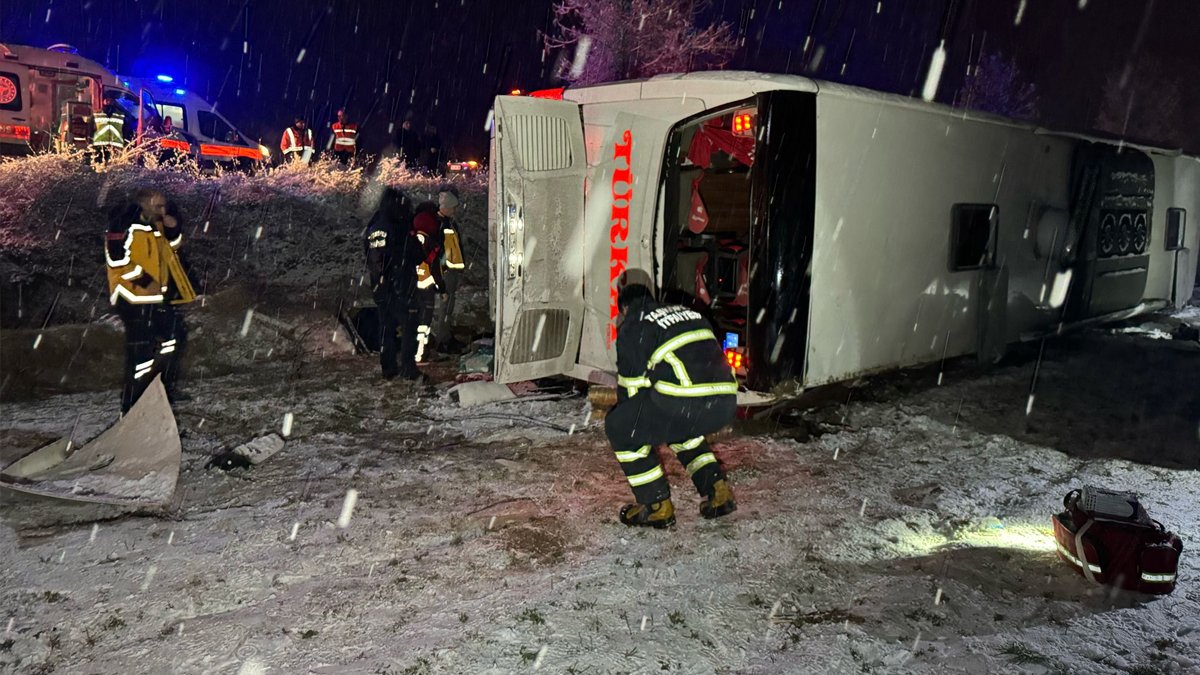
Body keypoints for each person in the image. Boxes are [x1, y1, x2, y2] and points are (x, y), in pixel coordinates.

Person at [604, 279, 739, 528]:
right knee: (680, 428)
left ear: (624, 308)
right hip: (725, 401)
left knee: (620, 427)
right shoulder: (687, 312)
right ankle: (718, 490)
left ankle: (656, 506)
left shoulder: (635, 323)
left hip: (684, 400)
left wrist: (630, 422)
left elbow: (631, 388)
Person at [105, 189, 197, 412]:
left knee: (175, 337)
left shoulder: (153, 224)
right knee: (140, 352)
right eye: (158, 206)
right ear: (144, 203)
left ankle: (163, 389)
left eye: (164, 206)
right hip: (132, 298)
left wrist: (173, 227)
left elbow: (171, 248)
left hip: (155, 297)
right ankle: (133, 403)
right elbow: (116, 259)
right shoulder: (123, 223)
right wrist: (145, 281)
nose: (162, 210)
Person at [364, 188, 426, 381]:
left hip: (390, 285)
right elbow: (378, 259)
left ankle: (390, 367)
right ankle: (405, 368)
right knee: (407, 325)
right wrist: (392, 280)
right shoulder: (388, 226)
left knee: (388, 326)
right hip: (395, 285)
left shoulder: (389, 224)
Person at [411, 199, 446, 363]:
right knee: (424, 322)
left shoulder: (411, 237)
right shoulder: (431, 241)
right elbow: (434, 267)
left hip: (411, 286)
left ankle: (413, 352)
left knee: (414, 319)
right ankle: (420, 353)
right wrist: (442, 287)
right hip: (426, 286)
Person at [431, 189, 466, 353]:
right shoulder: (441, 224)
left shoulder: (447, 222)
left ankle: (444, 338)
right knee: (446, 306)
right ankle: (442, 341)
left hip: (450, 270)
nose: (455, 210)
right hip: (446, 271)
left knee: (448, 306)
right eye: (453, 207)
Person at [91, 91, 126, 164]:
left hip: (113, 146)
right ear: (102, 100)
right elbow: (91, 128)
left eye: (110, 100)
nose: (109, 101)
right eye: (107, 99)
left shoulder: (119, 114)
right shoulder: (97, 114)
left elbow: (124, 129)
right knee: (98, 164)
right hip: (99, 145)